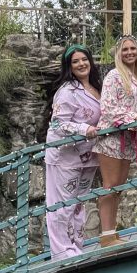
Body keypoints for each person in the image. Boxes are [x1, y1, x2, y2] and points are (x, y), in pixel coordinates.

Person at [93, 36, 137, 247]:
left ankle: (112, 233)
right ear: (119, 53)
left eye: (133, 49)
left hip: (128, 139)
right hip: (112, 137)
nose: (129, 52)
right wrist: (135, 117)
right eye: (125, 49)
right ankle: (106, 235)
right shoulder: (113, 75)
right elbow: (108, 107)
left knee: (118, 187)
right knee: (109, 186)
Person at [44, 45, 102, 259]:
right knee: (62, 204)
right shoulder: (67, 90)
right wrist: (83, 129)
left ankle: (76, 245)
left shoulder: (96, 87)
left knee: (78, 204)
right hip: (65, 156)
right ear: (69, 66)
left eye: (84, 59)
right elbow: (58, 124)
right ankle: (61, 251)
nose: (81, 64)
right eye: (75, 61)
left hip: (89, 156)